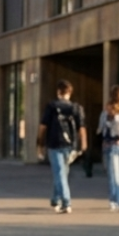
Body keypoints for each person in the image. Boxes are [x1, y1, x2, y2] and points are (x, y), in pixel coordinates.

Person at [37, 79, 87, 214]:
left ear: (58, 92)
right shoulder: (76, 107)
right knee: (62, 172)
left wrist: (39, 144)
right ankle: (56, 198)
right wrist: (83, 144)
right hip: (70, 145)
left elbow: (43, 127)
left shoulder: (52, 106)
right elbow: (81, 128)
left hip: (54, 143)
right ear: (70, 92)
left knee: (59, 172)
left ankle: (66, 202)